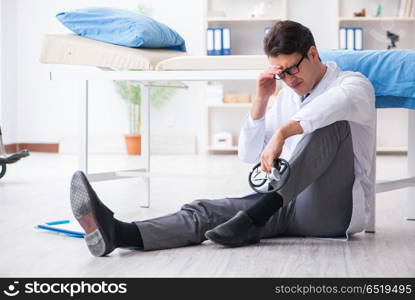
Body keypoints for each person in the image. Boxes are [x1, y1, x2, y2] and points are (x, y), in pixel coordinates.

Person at [70, 20, 376, 257]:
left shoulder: (353, 85)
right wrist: (260, 102)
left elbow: (332, 107)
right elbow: (248, 153)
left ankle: (257, 214)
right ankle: (120, 234)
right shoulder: (286, 97)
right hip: (283, 205)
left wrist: (284, 132)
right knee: (205, 211)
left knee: (330, 124)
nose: (289, 79)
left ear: (313, 53)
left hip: (332, 213)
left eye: (292, 69)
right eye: (280, 73)